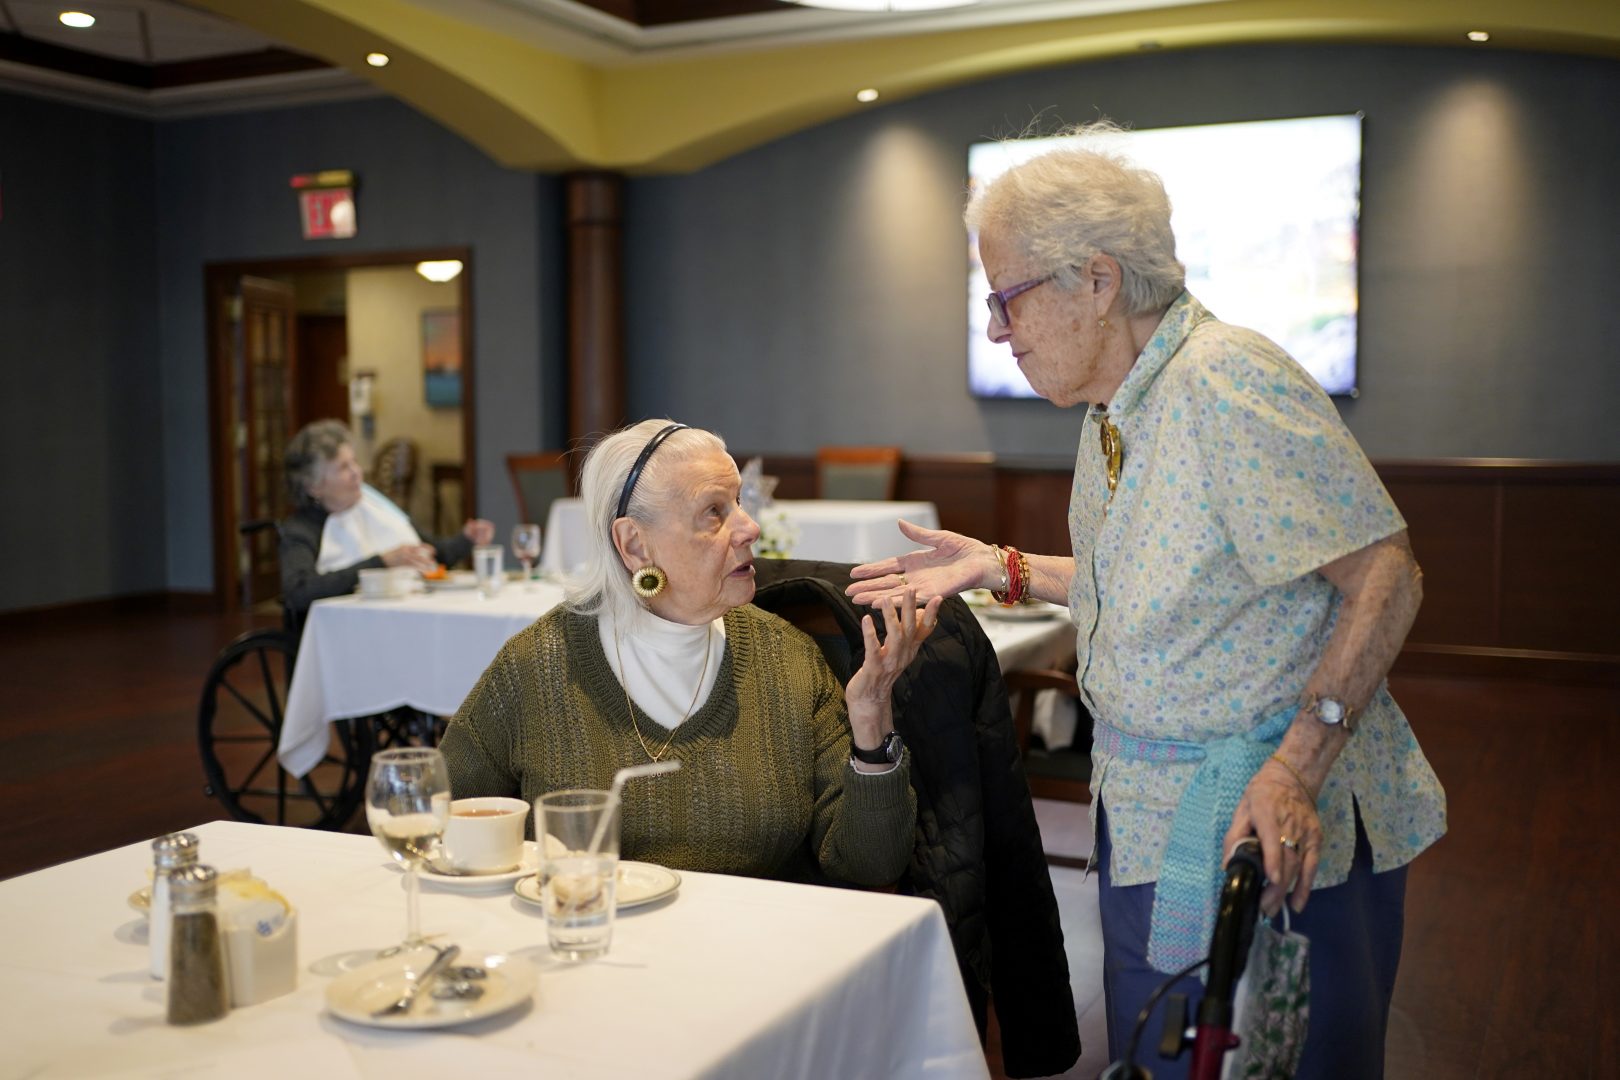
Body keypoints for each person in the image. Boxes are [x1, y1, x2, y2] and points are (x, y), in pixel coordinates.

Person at [847, 123, 1446, 1078]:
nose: (998, 329)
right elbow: (1151, 590)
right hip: (1155, 815)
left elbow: (1386, 575)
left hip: (1271, 826)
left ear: (1096, 279)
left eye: (1005, 299)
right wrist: (996, 566)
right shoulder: (1118, 410)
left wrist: (1295, 770)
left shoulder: (1226, 381)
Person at [440, 420, 937, 886]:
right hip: (590, 949)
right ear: (634, 544)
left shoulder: (786, 659)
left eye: (739, 502)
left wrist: (871, 720)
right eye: (714, 512)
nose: (749, 529)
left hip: (755, 961)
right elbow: (443, 818)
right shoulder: (539, 666)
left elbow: (871, 864)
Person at [279, 419, 493, 615]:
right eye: (344, 467)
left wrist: (467, 539)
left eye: (354, 461)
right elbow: (299, 591)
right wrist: (382, 562)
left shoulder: (374, 505)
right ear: (313, 486)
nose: (357, 472)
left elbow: (432, 553)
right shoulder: (301, 529)